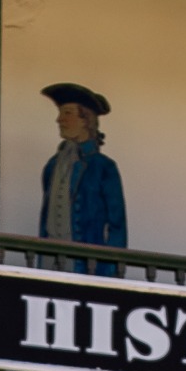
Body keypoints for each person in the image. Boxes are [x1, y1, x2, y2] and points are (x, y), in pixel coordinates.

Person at [37, 82, 127, 251]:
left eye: (67, 113)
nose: (59, 119)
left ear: (85, 120)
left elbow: (117, 225)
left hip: (86, 262)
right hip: (51, 256)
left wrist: (111, 267)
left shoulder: (104, 167)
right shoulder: (52, 165)